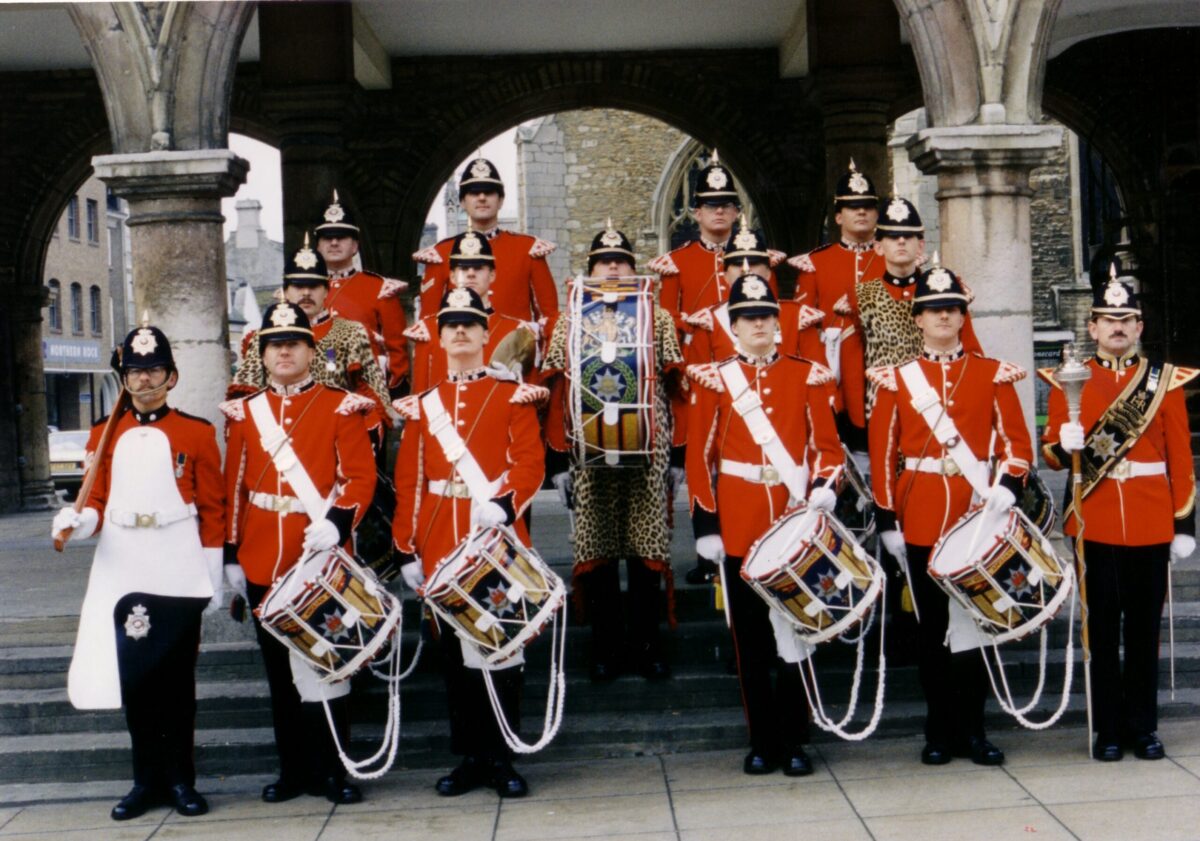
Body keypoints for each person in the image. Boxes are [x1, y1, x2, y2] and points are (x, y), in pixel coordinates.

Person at [53, 321, 224, 820]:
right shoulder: (105, 432)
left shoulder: (196, 431)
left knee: (176, 680)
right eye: (134, 372)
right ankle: (144, 781)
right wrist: (79, 519)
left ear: (171, 376)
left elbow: (212, 507)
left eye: (153, 371)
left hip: (176, 558)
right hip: (124, 560)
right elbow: (97, 499)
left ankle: (180, 779)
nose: (143, 381)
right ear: (123, 378)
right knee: (136, 676)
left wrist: (212, 573)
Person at [867, 263, 1032, 766]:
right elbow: (882, 456)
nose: (943, 316)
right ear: (917, 318)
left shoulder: (990, 373)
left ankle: (974, 730)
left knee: (978, 625)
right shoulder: (896, 380)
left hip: (978, 515)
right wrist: (889, 521)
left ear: (964, 316)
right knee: (932, 630)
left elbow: (1017, 444)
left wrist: (1007, 486)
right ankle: (939, 730)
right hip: (919, 517)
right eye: (933, 309)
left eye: (952, 309)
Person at [391, 285, 546, 798]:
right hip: (439, 540)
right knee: (454, 657)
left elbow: (529, 463)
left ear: (485, 333)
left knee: (501, 647)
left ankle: (501, 757)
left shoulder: (511, 394)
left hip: (495, 537)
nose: (460, 330)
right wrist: (406, 547)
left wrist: (504, 504)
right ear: (438, 339)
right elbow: (411, 481)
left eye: (470, 323)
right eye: (451, 324)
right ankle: (471, 757)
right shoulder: (424, 405)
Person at [686, 274, 843, 776]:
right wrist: (706, 526)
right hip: (739, 522)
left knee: (796, 632)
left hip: (795, 520)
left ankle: (796, 737)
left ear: (778, 323)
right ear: (732, 326)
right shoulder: (715, 379)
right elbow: (699, 460)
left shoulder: (808, 375)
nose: (758, 324)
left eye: (765, 316)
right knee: (750, 640)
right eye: (748, 317)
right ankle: (762, 740)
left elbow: (829, 451)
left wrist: (823, 488)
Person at [221, 302, 377, 805]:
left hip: (322, 555)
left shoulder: (340, 404)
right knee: (280, 675)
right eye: (274, 343)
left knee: (328, 666)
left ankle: (333, 770)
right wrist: (230, 554)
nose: (283, 350)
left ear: (313, 350)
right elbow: (236, 486)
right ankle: (293, 771)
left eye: (293, 342)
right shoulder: (246, 412)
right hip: (264, 554)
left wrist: (337, 523)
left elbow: (359, 476)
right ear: (262, 354)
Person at [1040, 272, 1197, 761]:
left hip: (1151, 520)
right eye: (1108, 320)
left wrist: (1184, 524)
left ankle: (1143, 728)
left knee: (1144, 630)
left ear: (1140, 326)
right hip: (1096, 520)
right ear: (1091, 327)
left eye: (1126, 319)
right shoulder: (1068, 378)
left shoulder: (1164, 381)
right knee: (1102, 632)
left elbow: (1179, 456)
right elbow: (1050, 453)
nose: (1118, 328)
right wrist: (1061, 447)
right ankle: (1107, 729)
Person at [542, 224, 685, 680]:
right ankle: (604, 650)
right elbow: (557, 388)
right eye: (605, 262)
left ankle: (647, 648)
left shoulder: (656, 317)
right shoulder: (568, 321)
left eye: (621, 261)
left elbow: (675, 385)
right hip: (587, 454)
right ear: (591, 270)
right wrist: (558, 460)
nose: (614, 269)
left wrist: (676, 455)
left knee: (645, 553)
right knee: (599, 552)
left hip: (648, 447)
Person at [230, 236, 391, 445]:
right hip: (277, 439)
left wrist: (361, 440)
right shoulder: (262, 337)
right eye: (298, 286)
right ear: (285, 291)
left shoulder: (352, 333)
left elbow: (374, 399)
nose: (306, 292)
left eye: (314, 286)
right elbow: (244, 398)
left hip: (335, 437)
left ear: (326, 290)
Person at [852, 197, 981, 422]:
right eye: (892, 237)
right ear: (878, 247)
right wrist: (856, 420)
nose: (901, 241)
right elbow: (853, 362)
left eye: (909, 236)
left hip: (939, 409)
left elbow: (969, 351)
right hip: (885, 410)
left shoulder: (945, 290)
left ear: (921, 245)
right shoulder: (860, 296)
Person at [788, 159, 882, 451]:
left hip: (882, 366)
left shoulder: (891, 260)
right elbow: (803, 326)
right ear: (839, 216)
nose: (862, 212)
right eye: (854, 207)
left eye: (868, 206)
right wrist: (823, 371)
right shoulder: (816, 262)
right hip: (834, 368)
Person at [415, 158, 558, 325]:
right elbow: (429, 323)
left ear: (501, 201)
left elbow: (549, 319)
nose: (482, 198)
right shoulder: (441, 254)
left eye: (489, 192)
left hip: (516, 349)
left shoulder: (528, 249)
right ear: (462, 202)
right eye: (474, 193)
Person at [407, 230, 541, 392]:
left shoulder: (518, 331)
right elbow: (420, 397)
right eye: (463, 268)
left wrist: (515, 384)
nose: (470, 274)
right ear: (452, 277)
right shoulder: (428, 330)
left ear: (492, 275)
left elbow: (535, 402)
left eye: (478, 268)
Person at [313, 190, 411, 398]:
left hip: (366, 388)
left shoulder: (379, 288)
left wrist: (389, 388)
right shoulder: (303, 289)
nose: (334, 243)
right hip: (316, 386)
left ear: (355, 246)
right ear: (317, 246)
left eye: (341, 237)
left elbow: (396, 348)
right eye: (327, 238)